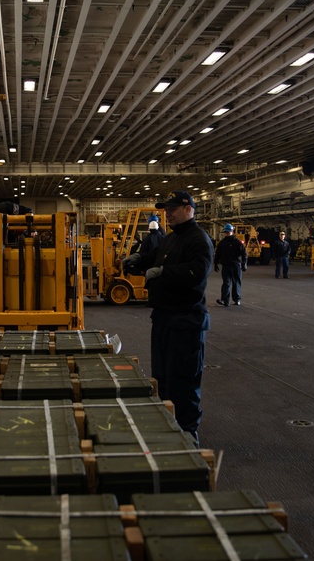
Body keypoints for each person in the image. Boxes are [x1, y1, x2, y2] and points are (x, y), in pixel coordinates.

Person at [122, 190, 213, 445]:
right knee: (162, 378)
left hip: (186, 322)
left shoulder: (198, 239)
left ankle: (187, 432)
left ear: (189, 209)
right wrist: (139, 259)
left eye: (173, 208)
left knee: (184, 381)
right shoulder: (169, 239)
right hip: (163, 319)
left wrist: (164, 272)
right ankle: (167, 426)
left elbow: (197, 271)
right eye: (167, 209)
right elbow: (154, 257)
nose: (169, 213)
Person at [213, 224, 247, 306]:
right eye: (225, 232)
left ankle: (237, 299)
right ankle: (225, 300)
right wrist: (216, 263)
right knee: (226, 283)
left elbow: (244, 254)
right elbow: (218, 254)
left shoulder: (238, 243)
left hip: (236, 266)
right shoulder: (222, 243)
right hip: (226, 266)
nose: (226, 234)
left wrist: (244, 263)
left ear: (232, 232)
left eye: (228, 232)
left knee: (236, 282)